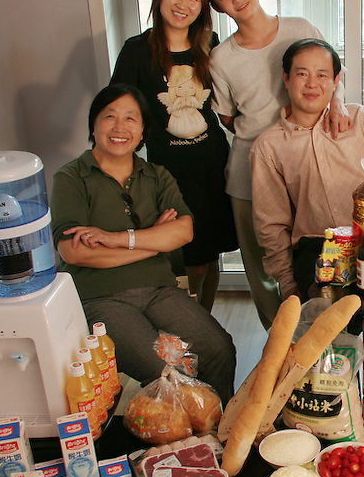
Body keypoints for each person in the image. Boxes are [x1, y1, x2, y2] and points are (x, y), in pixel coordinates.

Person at [51, 84, 236, 402]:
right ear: (94, 125)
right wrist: (154, 243)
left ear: (142, 131)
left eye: (131, 118)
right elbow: (74, 251)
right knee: (164, 368)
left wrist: (114, 239)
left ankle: (219, 433)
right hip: (101, 300)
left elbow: (184, 232)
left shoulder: (157, 175)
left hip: (160, 293)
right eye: (109, 116)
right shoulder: (71, 178)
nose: (120, 127)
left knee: (219, 348)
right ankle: (177, 445)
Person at [200, 0, 351, 327]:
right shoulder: (221, 58)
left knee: (316, 258)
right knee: (264, 270)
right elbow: (226, 116)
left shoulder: (299, 26)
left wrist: (338, 105)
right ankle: (280, 342)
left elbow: (333, 74)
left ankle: (326, 338)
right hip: (248, 175)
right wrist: (266, 140)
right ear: (215, 6)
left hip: (307, 167)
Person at [251, 38, 364, 301]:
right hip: (317, 252)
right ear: (286, 79)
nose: (312, 83)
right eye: (302, 74)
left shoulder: (359, 119)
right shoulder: (268, 146)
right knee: (323, 336)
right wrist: (287, 282)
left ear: (335, 81)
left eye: (322, 75)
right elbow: (271, 225)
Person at [110, 0, 237, 312]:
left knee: (210, 254)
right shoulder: (137, 50)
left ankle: (205, 321)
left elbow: (229, 98)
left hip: (213, 162)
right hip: (169, 172)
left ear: (203, 7)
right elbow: (120, 112)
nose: (183, 4)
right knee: (187, 256)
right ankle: (190, 324)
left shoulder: (210, 44)